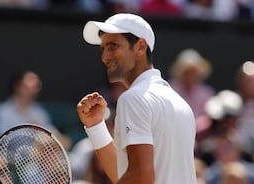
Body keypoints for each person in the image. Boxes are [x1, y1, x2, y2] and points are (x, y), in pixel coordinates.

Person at [77, 13, 196, 183]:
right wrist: (96, 127)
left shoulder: (133, 99)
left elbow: (141, 177)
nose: (104, 57)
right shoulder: (181, 104)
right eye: (103, 48)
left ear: (140, 47)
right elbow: (128, 173)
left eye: (113, 46)